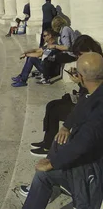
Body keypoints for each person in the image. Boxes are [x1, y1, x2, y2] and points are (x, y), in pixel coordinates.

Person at [21, 52, 103, 209]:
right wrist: (66, 127)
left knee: (45, 172)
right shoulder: (96, 93)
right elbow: (84, 106)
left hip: (91, 172)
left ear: (81, 75)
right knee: (58, 144)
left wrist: (53, 163)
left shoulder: (99, 109)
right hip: (88, 163)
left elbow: (83, 142)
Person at [29, 35, 102, 158]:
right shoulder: (92, 61)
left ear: (89, 50)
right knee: (51, 105)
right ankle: (47, 141)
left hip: (88, 108)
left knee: (55, 110)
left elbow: (92, 95)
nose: (78, 58)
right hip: (84, 101)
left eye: (80, 54)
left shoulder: (97, 66)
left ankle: (48, 147)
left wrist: (80, 82)